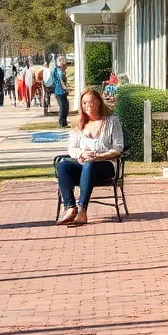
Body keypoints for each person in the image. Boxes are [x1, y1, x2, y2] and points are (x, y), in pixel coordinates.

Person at [55, 88, 124, 227]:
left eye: (90, 102)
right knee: (62, 165)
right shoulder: (79, 124)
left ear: (98, 102)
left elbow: (118, 147)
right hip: (83, 164)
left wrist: (99, 155)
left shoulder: (111, 121)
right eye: (84, 103)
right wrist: (81, 153)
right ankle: (70, 208)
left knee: (90, 164)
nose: (87, 106)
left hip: (104, 165)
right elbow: (72, 148)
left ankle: (82, 210)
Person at [53, 55, 70, 127]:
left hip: (63, 92)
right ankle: (61, 122)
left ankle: (64, 121)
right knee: (62, 107)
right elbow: (60, 80)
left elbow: (64, 81)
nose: (63, 62)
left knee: (66, 107)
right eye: (62, 61)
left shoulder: (63, 71)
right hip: (59, 91)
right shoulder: (57, 70)